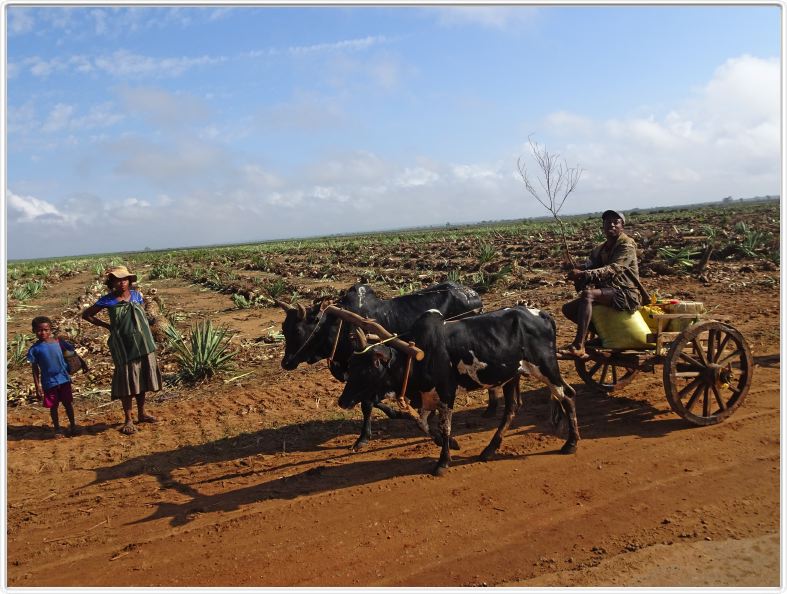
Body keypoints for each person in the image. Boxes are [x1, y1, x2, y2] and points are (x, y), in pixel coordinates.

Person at [82, 265, 162, 434]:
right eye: (117, 280)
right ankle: (128, 419)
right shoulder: (107, 300)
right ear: (111, 283)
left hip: (143, 343)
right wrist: (107, 326)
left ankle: (142, 413)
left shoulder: (136, 295)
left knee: (142, 378)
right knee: (127, 381)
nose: (122, 283)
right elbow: (87, 315)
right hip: (124, 346)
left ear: (129, 281)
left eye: (124, 280)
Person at [561, 209, 647, 358]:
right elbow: (590, 265)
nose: (611, 225)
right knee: (568, 309)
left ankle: (578, 345)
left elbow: (614, 269)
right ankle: (603, 334)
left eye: (616, 222)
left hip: (626, 293)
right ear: (603, 226)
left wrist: (584, 274)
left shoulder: (627, 245)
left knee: (588, 295)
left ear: (622, 226)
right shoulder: (600, 248)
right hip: (609, 292)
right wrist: (575, 270)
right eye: (608, 222)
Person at [27, 316, 80, 437]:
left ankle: (73, 426)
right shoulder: (34, 350)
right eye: (39, 330)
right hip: (49, 382)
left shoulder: (58, 343)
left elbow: (71, 353)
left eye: (46, 330)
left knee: (68, 403)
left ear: (50, 329)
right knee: (54, 406)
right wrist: (37, 386)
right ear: (34, 331)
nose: (43, 333)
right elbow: (34, 369)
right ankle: (57, 429)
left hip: (64, 379)